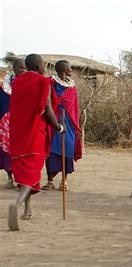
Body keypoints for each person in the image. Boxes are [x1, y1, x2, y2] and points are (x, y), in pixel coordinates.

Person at [8, 54, 63, 231]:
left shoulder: (17, 82)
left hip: (18, 134)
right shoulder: (43, 82)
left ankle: (27, 209)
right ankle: (17, 204)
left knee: (24, 172)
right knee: (31, 174)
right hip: (34, 134)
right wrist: (59, 127)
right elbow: (47, 111)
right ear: (39, 66)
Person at [42, 60, 82, 191]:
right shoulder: (50, 83)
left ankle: (64, 181)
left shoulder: (72, 86)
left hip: (69, 121)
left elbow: (74, 106)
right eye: (70, 68)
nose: (71, 70)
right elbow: (47, 102)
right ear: (64, 69)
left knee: (68, 149)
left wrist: (75, 122)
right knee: (52, 149)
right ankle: (50, 180)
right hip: (54, 120)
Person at [0, 59, 26, 189]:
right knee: (7, 151)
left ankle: (21, 180)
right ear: (14, 67)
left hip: (23, 122)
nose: (23, 70)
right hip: (6, 122)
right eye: (21, 67)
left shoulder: (29, 83)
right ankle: (10, 177)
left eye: (25, 68)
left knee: (22, 151)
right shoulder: (3, 84)